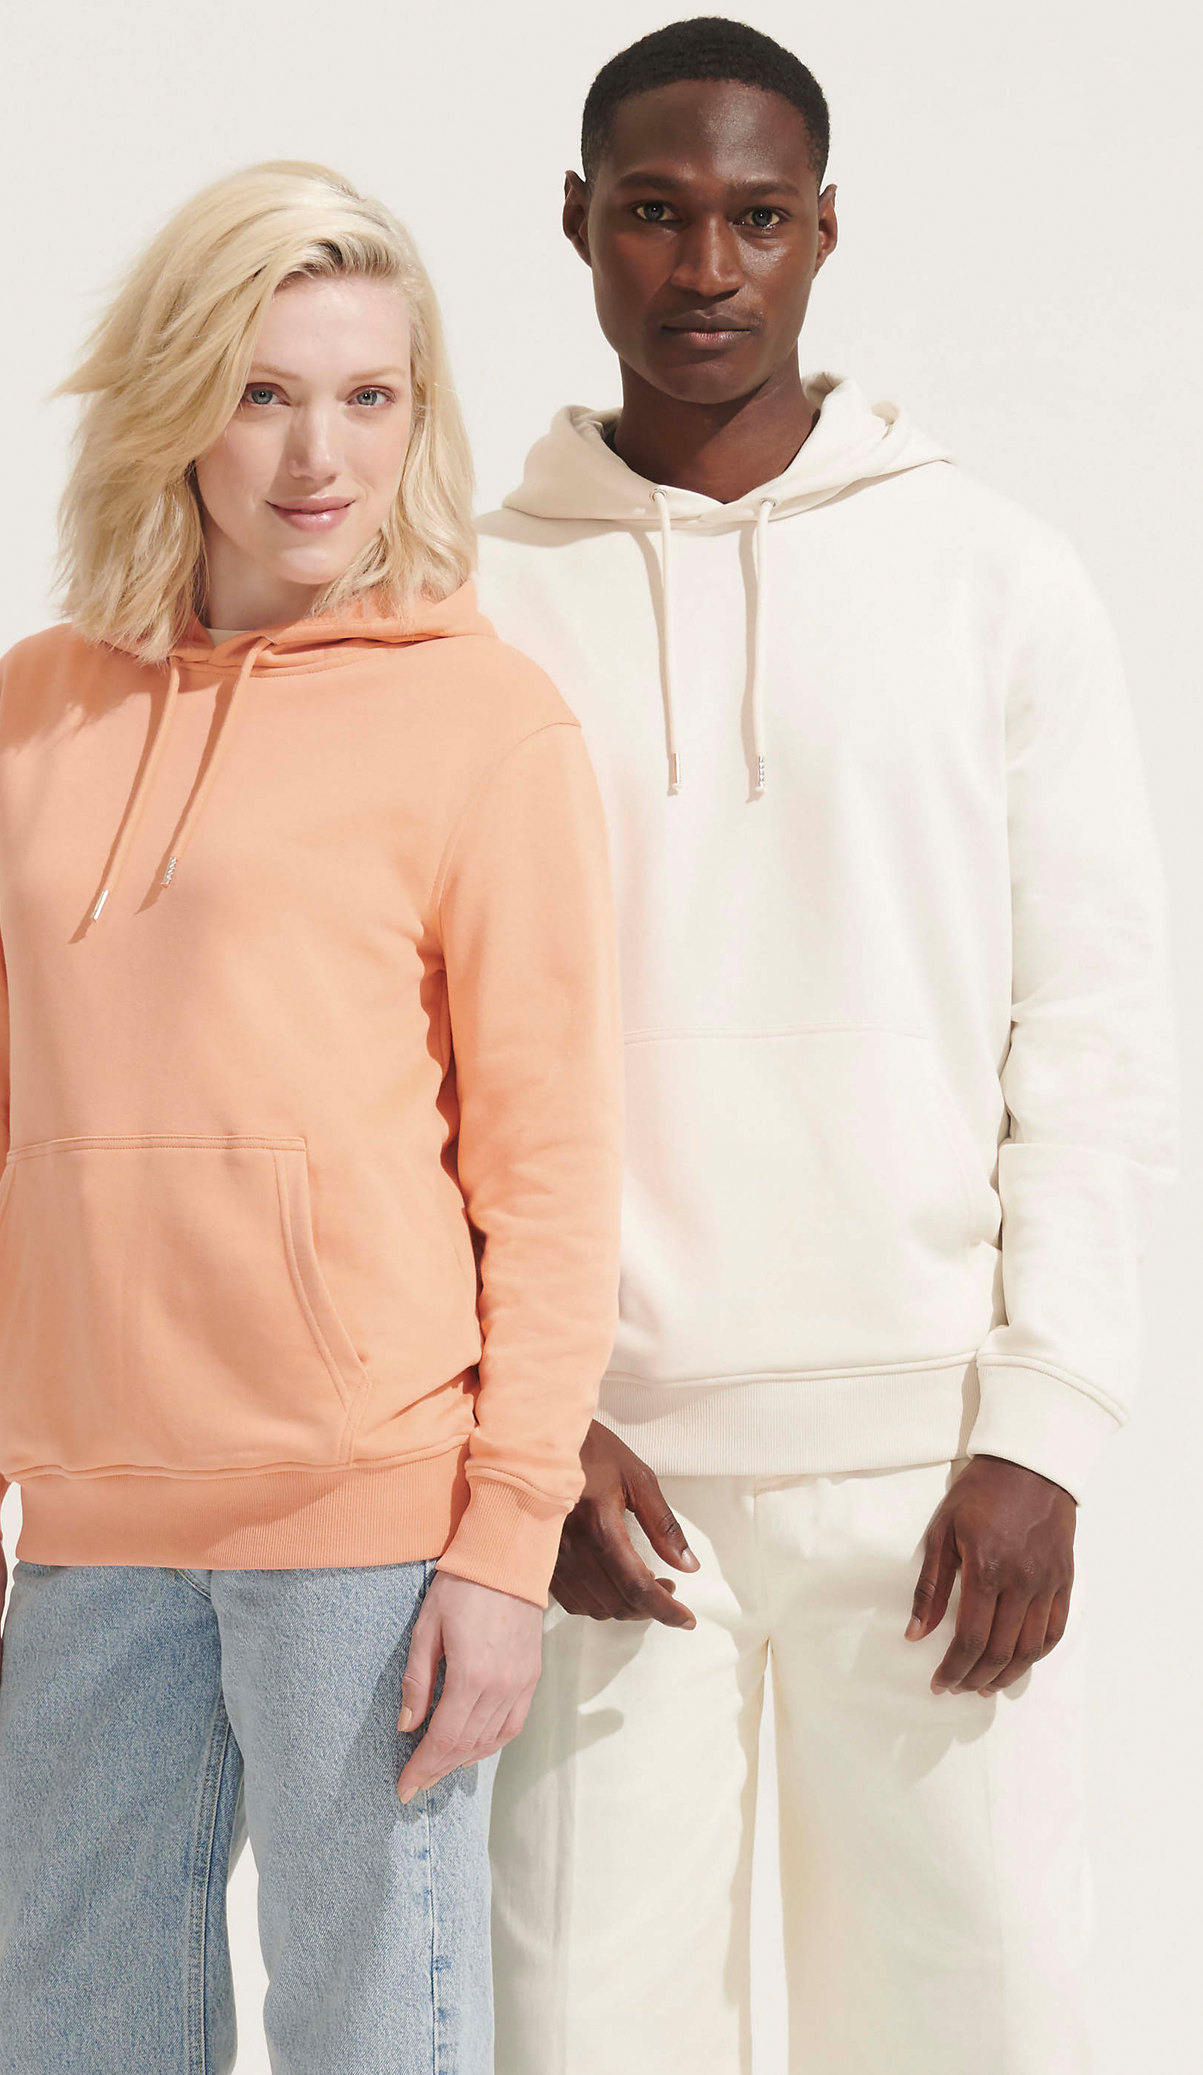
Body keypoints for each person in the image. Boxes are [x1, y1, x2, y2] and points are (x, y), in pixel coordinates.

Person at [474, 18, 1176, 2074]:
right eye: (656, 213)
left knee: (978, 2037)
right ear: (577, 224)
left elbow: (1093, 1026)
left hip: (935, 1480)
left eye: (757, 219)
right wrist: (515, 1424)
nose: (708, 269)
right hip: (602, 1492)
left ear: (827, 230)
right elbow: (395, 1052)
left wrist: (1046, 1425)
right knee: (577, 2044)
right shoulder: (466, 598)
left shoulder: (996, 580)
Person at [0, 159, 623, 2075]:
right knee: (68, 2044)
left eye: (369, 397)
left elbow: (552, 1173)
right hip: (89, 1518)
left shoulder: (483, 724)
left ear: (418, 412)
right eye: (262, 393)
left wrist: (504, 1543)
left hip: (362, 1525)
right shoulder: (31, 712)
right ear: (176, 406)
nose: (322, 456)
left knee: (376, 2042)